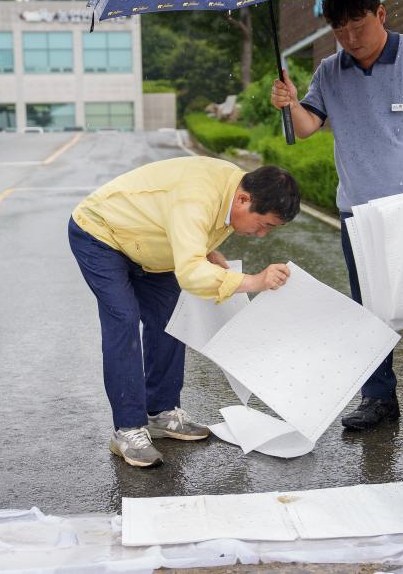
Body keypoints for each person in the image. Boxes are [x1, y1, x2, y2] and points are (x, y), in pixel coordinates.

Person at [271, 0, 403, 437]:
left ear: (380, 15)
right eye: (339, 29)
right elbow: (306, 128)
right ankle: (378, 397)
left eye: (357, 25)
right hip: (358, 213)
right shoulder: (329, 70)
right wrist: (289, 100)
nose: (350, 38)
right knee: (369, 307)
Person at [69, 158, 300, 468]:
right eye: (264, 225)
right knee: (123, 319)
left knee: (169, 319)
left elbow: (189, 228)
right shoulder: (199, 195)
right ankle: (128, 430)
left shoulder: (234, 191)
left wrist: (204, 248)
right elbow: (190, 272)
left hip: (152, 244)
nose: (261, 235)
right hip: (101, 233)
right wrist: (253, 282)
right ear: (244, 199)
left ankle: (161, 413)